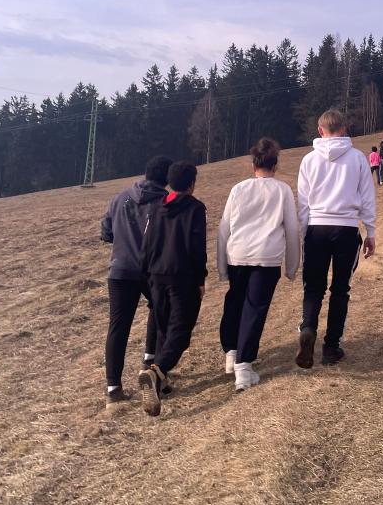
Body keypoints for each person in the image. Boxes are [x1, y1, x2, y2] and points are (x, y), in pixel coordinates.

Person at [216, 138, 300, 392]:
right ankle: (243, 366)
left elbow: (224, 229)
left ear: (253, 164)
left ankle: (231, 352)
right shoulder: (282, 190)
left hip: (237, 255)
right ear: (275, 165)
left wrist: (222, 267)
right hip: (267, 258)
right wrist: (292, 266)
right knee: (254, 309)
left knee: (235, 302)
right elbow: (292, 230)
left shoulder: (238, 189)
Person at [296, 109, 376, 369]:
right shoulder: (358, 158)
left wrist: (304, 233)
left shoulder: (309, 160)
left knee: (313, 287)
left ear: (320, 131)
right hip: (346, 229)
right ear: (344, 128)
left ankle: (308, 328)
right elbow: (367, 197)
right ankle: (331, 347)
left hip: (317, 228)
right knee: (340, 289)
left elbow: (303, 202)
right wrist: (371, 232)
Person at [100, 155, 172, 405]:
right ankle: (151, 364)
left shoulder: (119, 197)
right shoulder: (165, 202)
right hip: (153, 271)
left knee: (118, 327)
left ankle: (113, 387)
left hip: (120, 270)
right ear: (167, 179)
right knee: (160, 313)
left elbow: (106, 232)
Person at [138, 161, 207, 417]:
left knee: (163, 328)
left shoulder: (157, 207)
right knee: (180, 332)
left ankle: (160, 381)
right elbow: (197, 247)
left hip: (156, 276)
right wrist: (200, 279)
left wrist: (147, 274)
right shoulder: (195, 208)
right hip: (183, 278)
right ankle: (156, 371)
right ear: (191, 184)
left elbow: (147, 243)